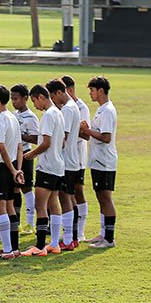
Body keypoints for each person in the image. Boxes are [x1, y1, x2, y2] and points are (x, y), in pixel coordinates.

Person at [20, 84, 65, 257]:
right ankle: (54, 244)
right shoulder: (59, 113)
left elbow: (46, 142)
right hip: (58, 165)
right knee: (54, 204)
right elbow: (61, 141)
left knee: (41, 206)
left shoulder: (48, 116)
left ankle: (39, 246)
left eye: (34, 101)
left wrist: (31, 154)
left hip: (47, 166)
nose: (35, 106)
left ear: (41, 97)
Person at [0, 85, 25, 259]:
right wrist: (18, 169)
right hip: (12, 165)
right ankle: (13, 248)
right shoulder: (13, 118)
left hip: (1, 167)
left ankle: (7, 249)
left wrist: (11, 169)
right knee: (10, 207)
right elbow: (19, 147)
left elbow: (1, 149)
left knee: (0, 207)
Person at [79, 75, 118, 249]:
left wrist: (87, 130)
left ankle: (109, 239)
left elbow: (106, 137)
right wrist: (86, 130)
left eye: (92, 90)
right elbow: (97, 134)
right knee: (100, 197)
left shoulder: (108, 110)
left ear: (101, 90)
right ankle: (103, 234)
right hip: (97, 160)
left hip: (105, 161)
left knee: (106, 197)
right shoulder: (102, 109)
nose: (90, 94)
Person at [49, 78, 82, 251]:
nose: (53, 101)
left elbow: (64, 137)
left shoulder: (68, 110)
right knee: (70, 197)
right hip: (73, 159)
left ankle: (68, 239)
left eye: (53, 97)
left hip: (67, 161)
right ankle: (73, 237)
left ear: (58, 93)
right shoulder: (72, 107)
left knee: (65, 197)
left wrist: (51, 147)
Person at [62, 75, 91, 243]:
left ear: (70, 90)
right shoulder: (65, 107)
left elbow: (84, 134)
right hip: (67, 156)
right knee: (67, 192)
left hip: (78, 156)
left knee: (77, 191)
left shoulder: (81, 107)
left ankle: (79, 232)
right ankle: (70, 231)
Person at [10, 84, 39, 234]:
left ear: (25, 98)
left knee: (26, 188)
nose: (13, 102)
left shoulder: (31, 117)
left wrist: (19, 135)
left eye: (16, 99)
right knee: (15, 189)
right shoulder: (14, 115)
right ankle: (17, 221)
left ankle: (30, 223)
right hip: (14, 156)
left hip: (26, 155)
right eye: (12, 99)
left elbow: (35, 138)